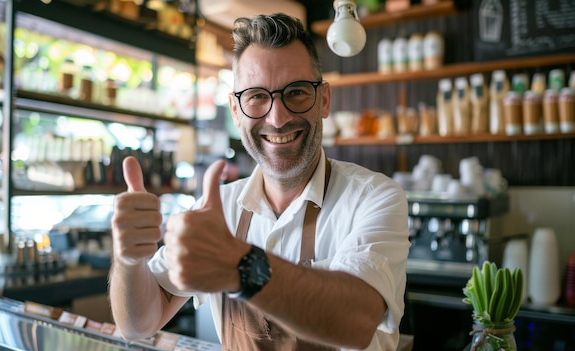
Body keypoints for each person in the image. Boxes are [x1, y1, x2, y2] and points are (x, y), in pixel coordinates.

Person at [109, 13, 410, 351]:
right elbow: (137, 325)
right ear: (235, 110)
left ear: (323, 100)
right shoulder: (215, 209)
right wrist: (128, 259)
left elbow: (356, 320)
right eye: (256, 96)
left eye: (296, 92)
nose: (277, 118)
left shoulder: (375, 198)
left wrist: (237, 265)